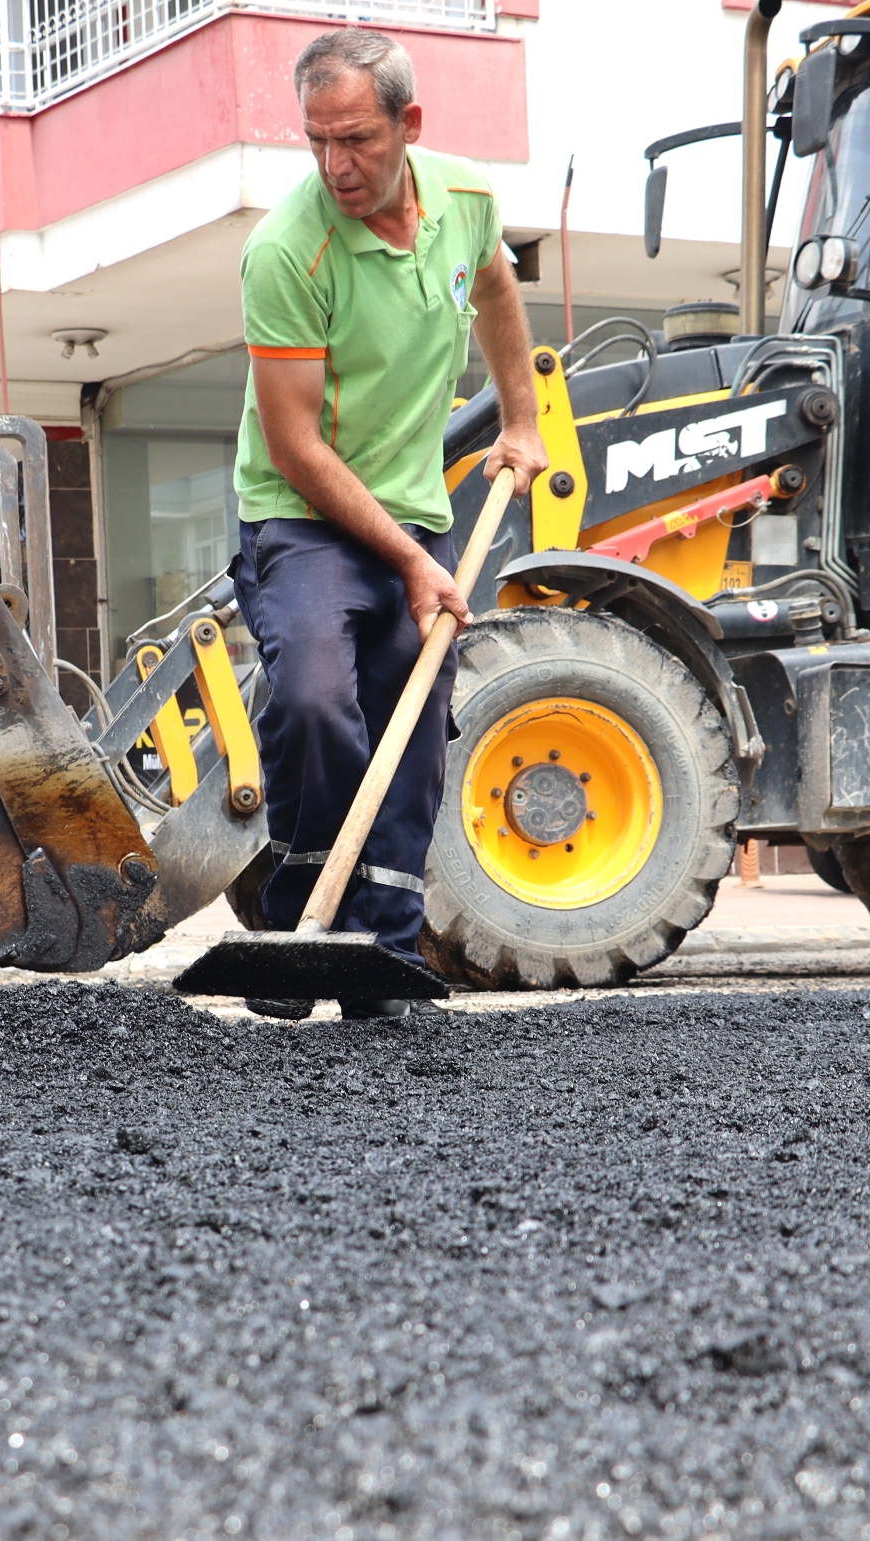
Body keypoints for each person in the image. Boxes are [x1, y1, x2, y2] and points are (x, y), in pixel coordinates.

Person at [234, 28, 549, 1019]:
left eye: (359, 139)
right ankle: (297, 926)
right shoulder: (289, 250)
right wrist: (414, 559)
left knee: (412, 723)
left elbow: (496, 289)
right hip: (303, 519)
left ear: (410, 124)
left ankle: (385, 954)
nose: (337, 166)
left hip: (416, 509)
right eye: (318, 141)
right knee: (318, 700)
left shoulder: (464, 202)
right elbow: (296, 449)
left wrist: (524, 415)